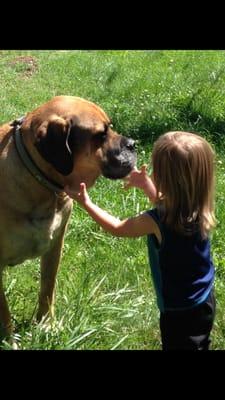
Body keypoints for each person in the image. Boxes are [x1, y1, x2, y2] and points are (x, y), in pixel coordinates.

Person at [65, 131, 216, 350]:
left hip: (178, 311)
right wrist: (147, 186)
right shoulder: (197, 205)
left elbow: (117, 227)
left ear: (165, 180)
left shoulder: (156, 221)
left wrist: (86, 202)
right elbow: (168, 203)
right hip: (204, 299)